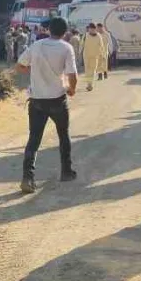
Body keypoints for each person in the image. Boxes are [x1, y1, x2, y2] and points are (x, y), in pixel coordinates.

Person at [14, 17, 78, 192]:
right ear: (65, 32)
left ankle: (28, 177)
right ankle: (66, 171)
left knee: (34, 140)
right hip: (58, 99)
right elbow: (72, 74)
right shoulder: (66, 48)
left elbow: (19, 66)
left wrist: (32, 70)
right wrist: (72, 89)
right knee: (63, 135)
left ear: (48, 30)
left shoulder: (37, 46)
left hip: (37, 101)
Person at [81, 23, 102, 91]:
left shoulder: (99, 36)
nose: (92, 30)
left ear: (95, 29)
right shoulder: (85, 35)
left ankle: (90, 84)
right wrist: (80, 52)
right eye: (91, 29)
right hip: (86, 56)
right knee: (87, 70)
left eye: (93, 29)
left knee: (93, 71)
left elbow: (101, 46)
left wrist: (101, 54)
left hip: (95, 56)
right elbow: (81, 44)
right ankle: (89, 84)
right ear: (89, 29)